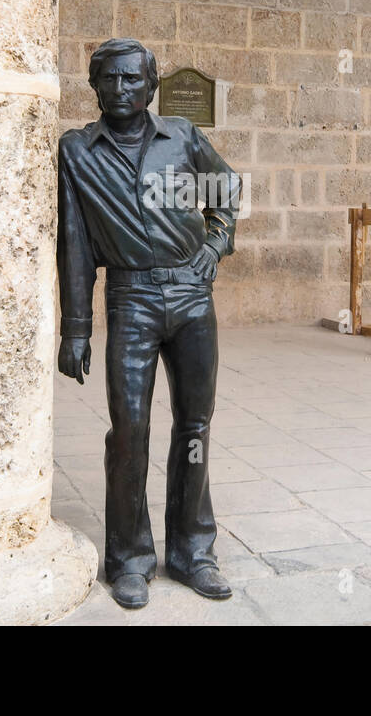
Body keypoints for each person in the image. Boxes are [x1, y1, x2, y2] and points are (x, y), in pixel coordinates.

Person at [57, 38, 240, 610]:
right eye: (109, 79)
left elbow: (227, 191)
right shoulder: (77, 151)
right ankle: (130, 558)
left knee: (194, 426)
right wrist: (77, 327)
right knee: (130, 430)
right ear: (94, 85)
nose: (120, 89)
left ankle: (192, 552)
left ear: (151, 87)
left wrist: (215, 246)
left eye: (132, 80)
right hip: (132, 300)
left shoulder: (182, 137)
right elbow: (75, 242)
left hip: (191, 297)